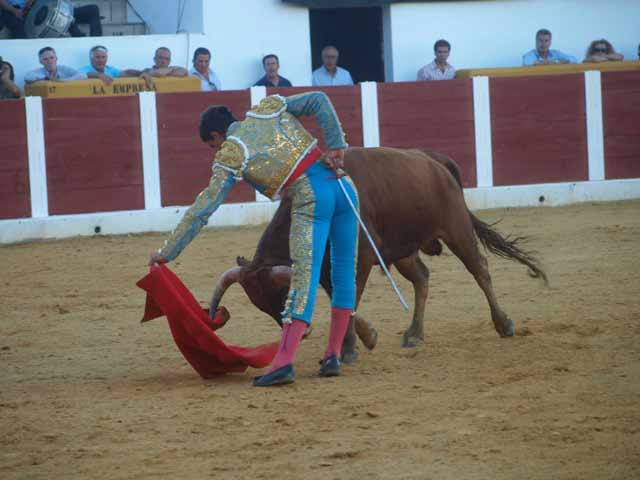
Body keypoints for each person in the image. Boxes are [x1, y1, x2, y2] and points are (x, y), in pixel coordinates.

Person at [148, 92, 358, 387]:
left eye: (213, 146)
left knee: (304, 278)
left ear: (216, 135)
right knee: (343, 270)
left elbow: (203, 208)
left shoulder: (231, 152)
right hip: (344, 185)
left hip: (312, 197)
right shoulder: (268, 108)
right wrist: (336, 145)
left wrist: (167, 251)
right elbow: (320, 99)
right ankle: (334, 355)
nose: (216, 151)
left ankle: (283, 363)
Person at [0, 0, 101, 38]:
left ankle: (95, 41)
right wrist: (14, 11)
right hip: (17, 11)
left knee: (93, 9)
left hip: (43, 7)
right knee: (22, 33)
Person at [80, 45, 145, 85]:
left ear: (107, 58)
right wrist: (98, 75)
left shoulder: (110, 69)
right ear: (91, 58)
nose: (101, 60)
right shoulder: (84, 69)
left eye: (103, 57)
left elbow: (126, 72)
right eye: (97, 57)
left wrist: (141, 73)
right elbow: (83, 75)